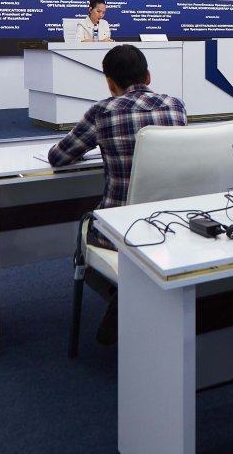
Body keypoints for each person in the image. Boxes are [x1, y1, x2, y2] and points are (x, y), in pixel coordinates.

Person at [47, 44, 186, 342]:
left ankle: (124, 301)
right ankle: (138, 301)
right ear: (148, 76)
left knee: (83, 240)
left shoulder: (102, 112)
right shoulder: (175, 106)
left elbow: (58, 157)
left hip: (120, 231)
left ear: (110, 83)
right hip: (173, 225)